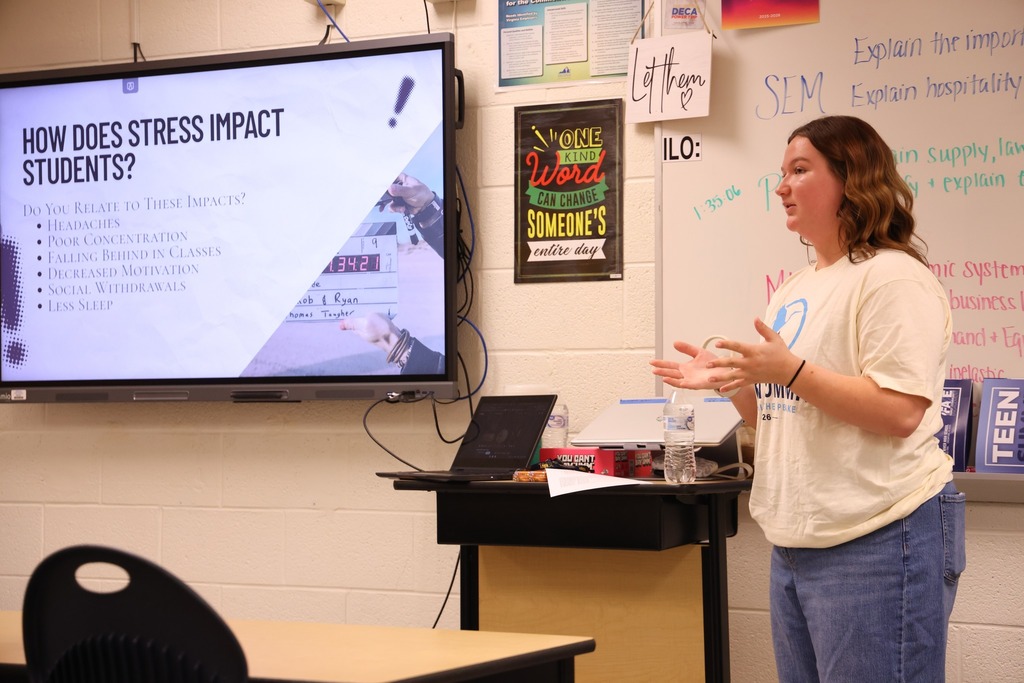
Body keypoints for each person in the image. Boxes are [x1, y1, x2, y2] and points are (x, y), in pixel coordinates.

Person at [651, 115, 966, 682]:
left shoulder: (893, 278)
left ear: (851, 179)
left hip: (879, 535)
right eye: (781, 173)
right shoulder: (795, 289)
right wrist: (737, 382)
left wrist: (790, 370)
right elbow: (778, 418)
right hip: (797, 542)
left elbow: (899, 412)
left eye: (800, 170)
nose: (781, 187)